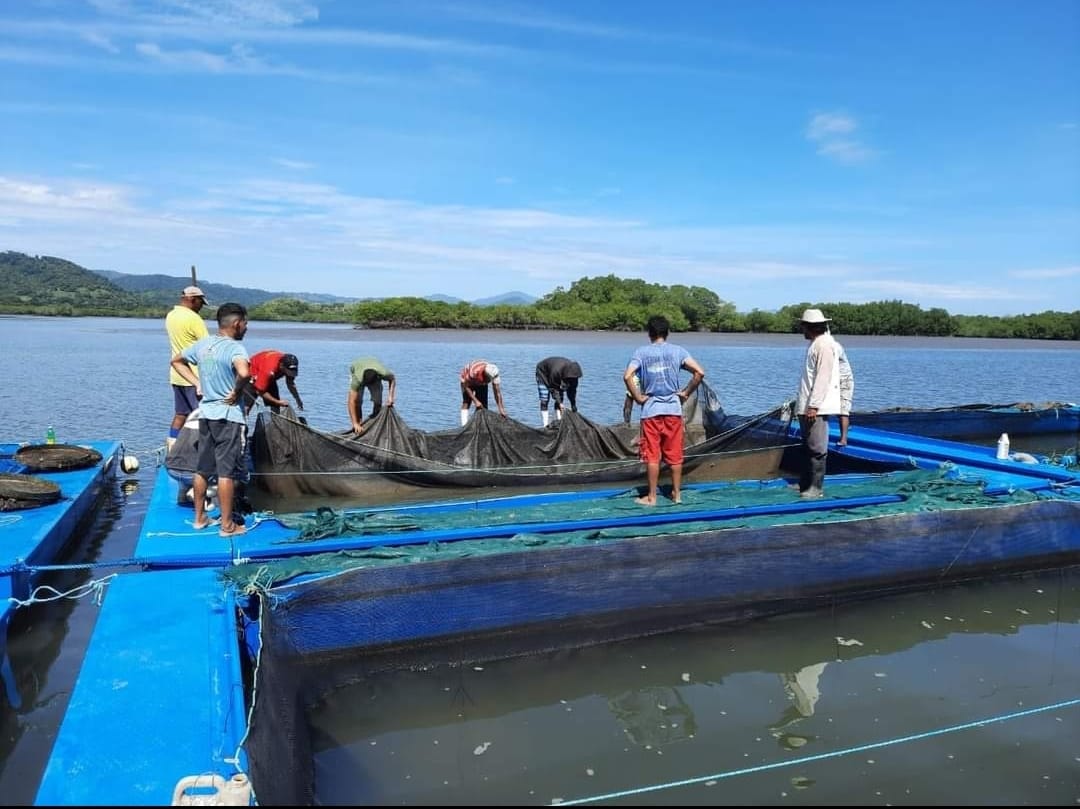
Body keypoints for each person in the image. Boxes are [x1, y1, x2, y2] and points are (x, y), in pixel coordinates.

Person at [170, 302, 251, 538]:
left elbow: (176, 361)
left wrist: (197, 383)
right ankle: (227, 526)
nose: (246, 328)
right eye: (245, 324)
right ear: (237, 324)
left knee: (202, 469)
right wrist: (237, 391)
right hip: (228, 417)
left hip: (205, 415)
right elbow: (245, 373)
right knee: (226, 473)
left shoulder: (203, 345)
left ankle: (199, 518)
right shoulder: (235, 348)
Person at [623, 315, 706, 506]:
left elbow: (628, 376)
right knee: (675, 455)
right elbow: (699, 373)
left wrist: (637, 397)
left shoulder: (641, 353)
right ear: (667, 333)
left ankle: (652, 497)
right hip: (673, 411)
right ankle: (676, 495)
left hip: (651, 411)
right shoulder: (678, 351)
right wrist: (686, 392)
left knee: (653, 456)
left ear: (649, 333)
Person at [794, 308, 843, 498]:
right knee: (807, 446)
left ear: (811, 327)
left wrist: (814, 405)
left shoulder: (824, 346)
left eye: (803, 326)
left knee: (817, 448)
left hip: (816, 407)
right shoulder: (816, 344)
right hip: (807, 405)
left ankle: (816, 488)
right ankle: (805, 483)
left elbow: (823, 377)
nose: (802, 330)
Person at [165, 285, 209, 449]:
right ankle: (200, 453)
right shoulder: (194, 319)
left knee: (181, 414)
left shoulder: (171, 315)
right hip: (194, 376)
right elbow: (207, 347)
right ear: (192, 299)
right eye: (200, 303)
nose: (201, 306)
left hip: (177, 374)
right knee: (203, 417)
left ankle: (172, 447)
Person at [244, 350, 303, 416]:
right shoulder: (268, 371)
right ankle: (241, 423)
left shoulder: (287, 364)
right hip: (251, 374)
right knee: (246, 407)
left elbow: (290, 384)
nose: (289, 374)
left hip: (269, 377)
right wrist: (278, 402)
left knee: (275, 406)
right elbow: (260, 392)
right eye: (288, 371)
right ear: (281, 365)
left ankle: (275, 421)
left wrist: (298, 399)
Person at [348, 356, 397, 433]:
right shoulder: (357, 379)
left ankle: (376, 424)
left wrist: (391, 397)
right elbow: (351, 402)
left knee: (378, 402)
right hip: (357, 370)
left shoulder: (383, 373)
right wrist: (355, 423)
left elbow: (392, 379)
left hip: (375, 378)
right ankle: (359, 425)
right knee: (357, 402)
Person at [534, 356, 583, 427]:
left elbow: (572, 391)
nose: (574, 380)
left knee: (560, 398)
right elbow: (553, 389)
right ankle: (545, 425)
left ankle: (559, 423)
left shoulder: (574, 375)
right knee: (544, 399)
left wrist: (573, 405)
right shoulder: (556, 371)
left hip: (559, 375)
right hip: (543, 373)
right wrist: (560, 403)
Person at [460, 359, 506, 426]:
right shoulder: (474, 371)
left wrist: (501, 408)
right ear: (485, 374)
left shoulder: (495, 373)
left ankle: (479, 426)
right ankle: (464, 426)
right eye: (488, 378)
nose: (489, 380)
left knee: (483, 406)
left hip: (481, 383)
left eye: (490, 379)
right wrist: (475, 401)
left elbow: (497, 392)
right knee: (467, 402)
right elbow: (466, 385)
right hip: (467, 381)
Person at [836, 341, 855, 446]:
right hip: (833, 381)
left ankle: (843, 440)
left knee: (843, 410)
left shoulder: (834, 347)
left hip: (844, 380)